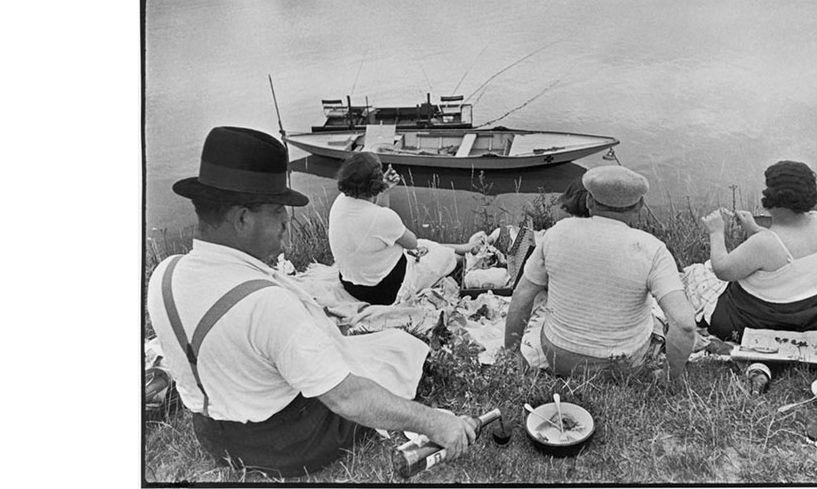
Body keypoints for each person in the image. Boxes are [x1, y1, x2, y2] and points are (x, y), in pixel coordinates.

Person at [147, 127, 477, 477]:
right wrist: (436, 423)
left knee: (374, 351)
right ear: (242, 219)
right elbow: (346, 398)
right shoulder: (268, 304)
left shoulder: (165, 274)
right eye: (277, 211)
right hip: (283, 442)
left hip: (210, 434)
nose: (287, 222)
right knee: (393, 354)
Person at [503, 166, 696, 380]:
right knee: (657, 320)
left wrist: (513, 354)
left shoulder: (557, 233)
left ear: (589, 201)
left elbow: (521, 296)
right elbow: (685, 324)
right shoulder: (653, 249)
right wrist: (671, 376)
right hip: (622, 365)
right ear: (639, 206)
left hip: (558, 357)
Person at [700, 160, 817, 341]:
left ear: (773, 197)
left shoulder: (765, 243)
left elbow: (722, 270)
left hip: (758, 321)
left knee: (698, 274)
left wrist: (716, 232)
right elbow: (784, 248)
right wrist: (753, 228)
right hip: (808, 314)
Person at [328, 152, 477, 305]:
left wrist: (384, 191)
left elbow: (378, 223)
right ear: (375, 183)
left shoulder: (340, 202)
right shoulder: (382, 217)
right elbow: (412, 243)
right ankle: (466, 254)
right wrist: (382, 190)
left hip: (352, 285)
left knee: (424, 244)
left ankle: (467, 247)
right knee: (435, 254)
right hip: (383, 290)